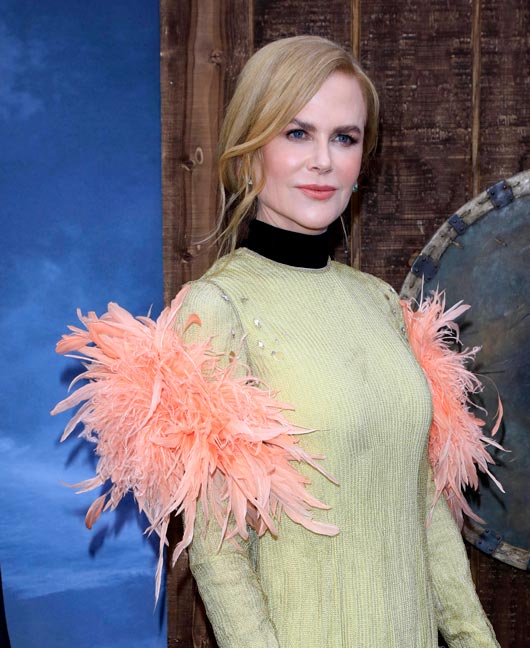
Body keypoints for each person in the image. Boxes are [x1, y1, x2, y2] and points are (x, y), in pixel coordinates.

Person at [175, 35, 500, 648]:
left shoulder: (381, 303)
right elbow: (219, 554)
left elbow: (424, 506)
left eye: (344, 138)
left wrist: (473, 639)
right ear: (249, 150)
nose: (323, 160)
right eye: (297, 133)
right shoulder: (216, 309)